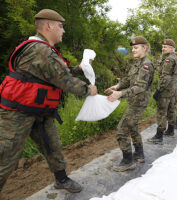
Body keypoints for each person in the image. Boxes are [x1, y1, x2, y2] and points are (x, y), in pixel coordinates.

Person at [0, 9, 97, 194]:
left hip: (39, 111)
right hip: (16, 114)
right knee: (4, 159)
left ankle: (61, 179)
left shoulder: (43, 49)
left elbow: (57, 73)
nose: (63, 31)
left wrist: (80, 68)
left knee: (52, 145)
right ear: (48, 26)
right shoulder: (40, 50)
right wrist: (88, 90)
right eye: (60, 26)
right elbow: (65, 81)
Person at [104, 36, 155, 171]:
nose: (133, 50)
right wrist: (117, 86)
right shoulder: (137, 63)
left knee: (121, 130)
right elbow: (128, 80)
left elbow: (140, 87)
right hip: (135, 101)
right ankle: (139, 154)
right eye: (132, 48)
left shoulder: (146, 65)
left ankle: (128, 161)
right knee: (132, 127)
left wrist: (120, 94)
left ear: (144, 48)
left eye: (136, 47)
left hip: (139, 102)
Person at [147, 39, 177, 144]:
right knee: (171, 109)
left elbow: (166, 77)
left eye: (165, 47)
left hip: (166, 90)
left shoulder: (168, 60)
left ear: (171, 48)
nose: (163, 48)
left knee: (161, 112)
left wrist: (159, 90)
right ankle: (170, 130)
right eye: (163, 47)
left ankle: (159, 136)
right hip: (174, 88)